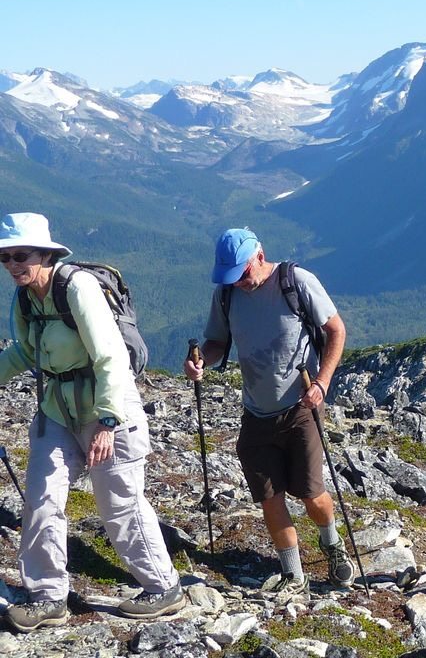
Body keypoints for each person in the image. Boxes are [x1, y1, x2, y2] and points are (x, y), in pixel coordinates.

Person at [0, 213, 184, 633]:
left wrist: (107, 420)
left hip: (108, 408)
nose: (12, 264)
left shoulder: (77, 288)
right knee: (41, 499)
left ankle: (164, 587)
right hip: (56, 411)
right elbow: (23, 355)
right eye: (5, 257)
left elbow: (110, 357)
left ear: (45, 254)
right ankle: (47, 597)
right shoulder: (26, 298)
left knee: (119, 503)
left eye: (20, 255)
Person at [183, 228, 352, 595]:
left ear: (259, 256)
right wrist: (201, 363)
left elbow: (336, 331)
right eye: (231, 277)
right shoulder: (227, 294)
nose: (239, 283)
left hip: (300, 408)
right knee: (269, 496)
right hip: (256, 413)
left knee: (311, 494)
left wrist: (321, 383)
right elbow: (217, 342)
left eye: (242, 274)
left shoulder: (296, 282)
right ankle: (293, 574)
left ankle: (331, 542)